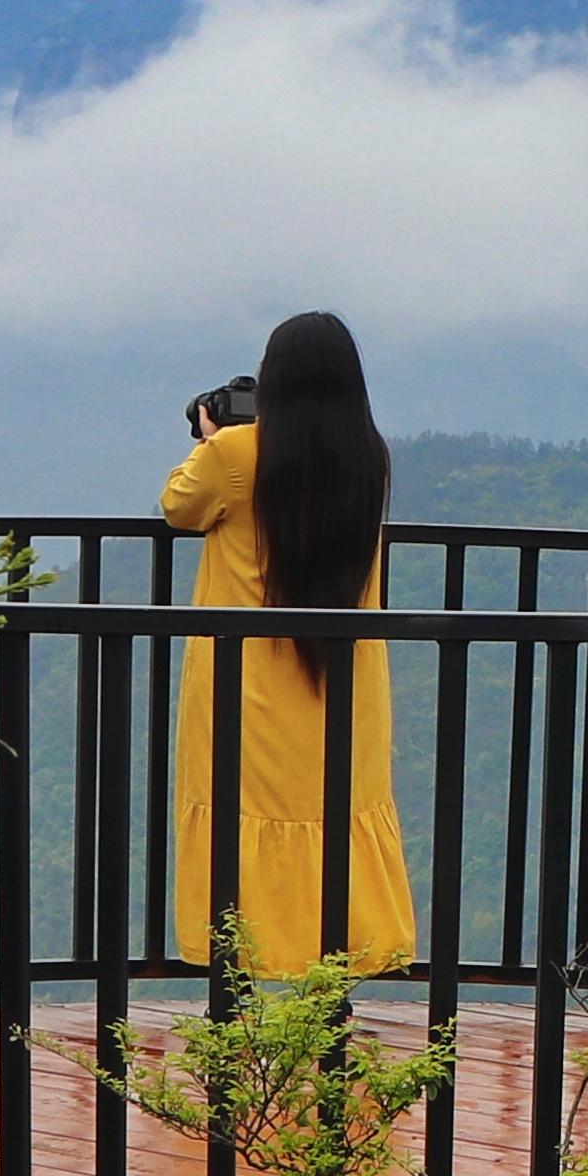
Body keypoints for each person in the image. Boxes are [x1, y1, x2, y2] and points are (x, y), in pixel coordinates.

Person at [162, 311, 417, 973]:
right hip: (344, 679)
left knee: (234, 809)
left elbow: (179, 507)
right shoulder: (370, 456)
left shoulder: (236, 454)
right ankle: (338, 971)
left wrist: (209, 436)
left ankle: (238, 975)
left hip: (244, 682)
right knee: (337, 811)